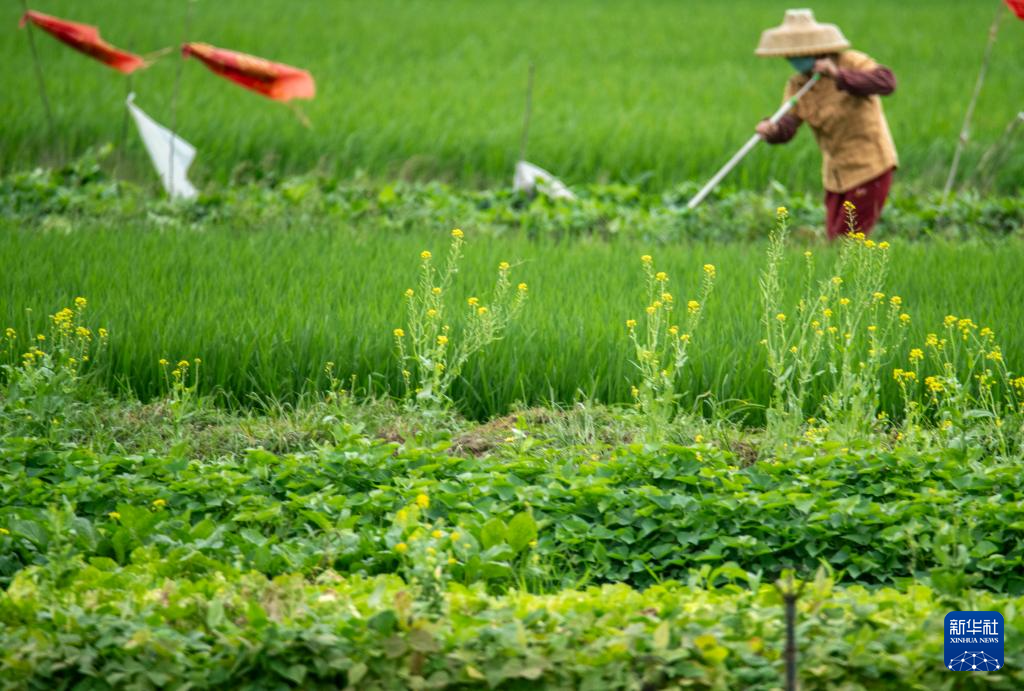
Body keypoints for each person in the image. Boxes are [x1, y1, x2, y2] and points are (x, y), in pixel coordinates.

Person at [754, 9, 898, 240]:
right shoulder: (798, 85)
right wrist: (772, 129)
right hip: (835, 174)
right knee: (834, 240)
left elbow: (886, 82)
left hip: (870, 166)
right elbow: (788, 125)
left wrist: (838, 75)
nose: (793, 59)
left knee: (846, 242)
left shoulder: (851, 61)